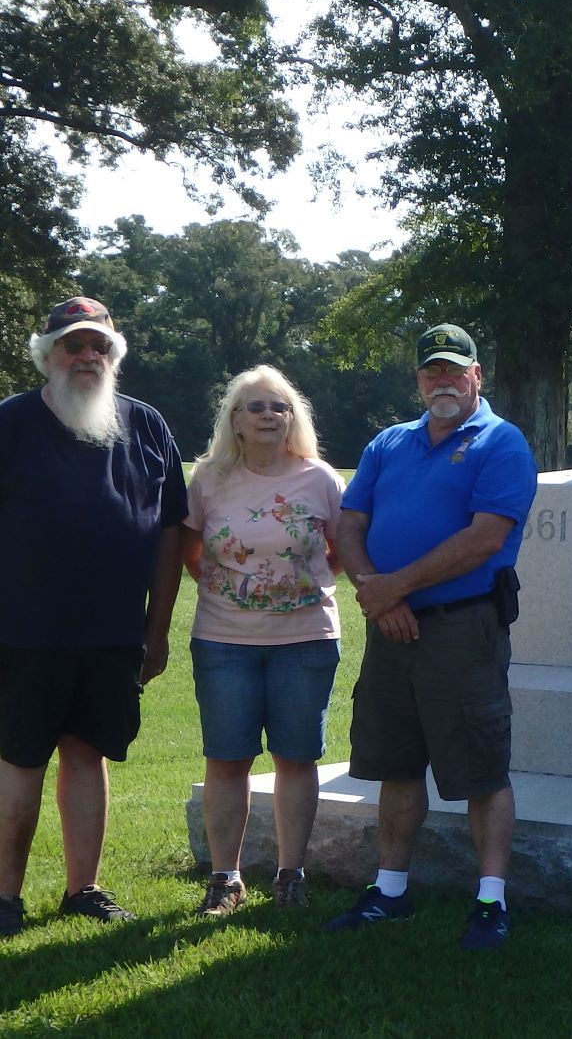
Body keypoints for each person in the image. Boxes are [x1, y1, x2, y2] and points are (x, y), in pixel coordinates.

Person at [323, 323, 536, 949]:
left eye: (454, 370)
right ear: (418, 380)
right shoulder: (390, 442)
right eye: (430, 371)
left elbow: (485, 538)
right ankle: (390, 892)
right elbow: (350, 521)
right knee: (396, 761)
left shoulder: (502, 443)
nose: (442, 380)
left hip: (463, 627)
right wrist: (373, 588)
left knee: (480, 767)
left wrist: (395, 587)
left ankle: (491, 901)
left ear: (477, 376)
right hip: (392, 628)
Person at [0, 296, 185, 937]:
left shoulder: (148, 426)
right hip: (23, 633)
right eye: (73, 345)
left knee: (90, 754)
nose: (86, 356)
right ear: (46, 355)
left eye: (98, 346)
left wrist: (155, 631)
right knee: (20, 759)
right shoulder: (11, 424)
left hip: (113, 633)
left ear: (114, 355)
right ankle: (5, 899)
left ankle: (85, 891)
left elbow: (169, 534)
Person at [182, 365, 345, 915]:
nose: (270, 415)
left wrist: (298, 590)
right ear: (236, 420)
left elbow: (342, 549)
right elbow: (191, 551)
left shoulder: (319, 478)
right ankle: (225, 879)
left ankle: (290, 874)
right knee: (227, 758)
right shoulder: (209, 479)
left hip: (305, 640)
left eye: (280, 406)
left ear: (293, 417)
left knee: (295, 757)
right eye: (257, 407)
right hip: (224, 642)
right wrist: (240, 591)